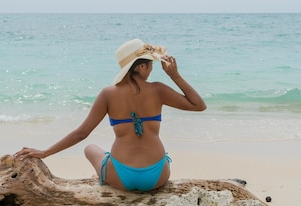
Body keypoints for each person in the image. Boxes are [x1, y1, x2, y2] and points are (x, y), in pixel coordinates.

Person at [14, 38, 206, 191]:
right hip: (157, 176)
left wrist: (45, 152)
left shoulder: (108, 94)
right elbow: (199, 105)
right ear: (141, 67)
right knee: (161, 155)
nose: (152, 69)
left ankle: (102, 174)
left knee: (90, 148)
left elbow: (82, 133)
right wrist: (175, 76)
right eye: (151, 64)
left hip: (120, 176)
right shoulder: (158, 90)